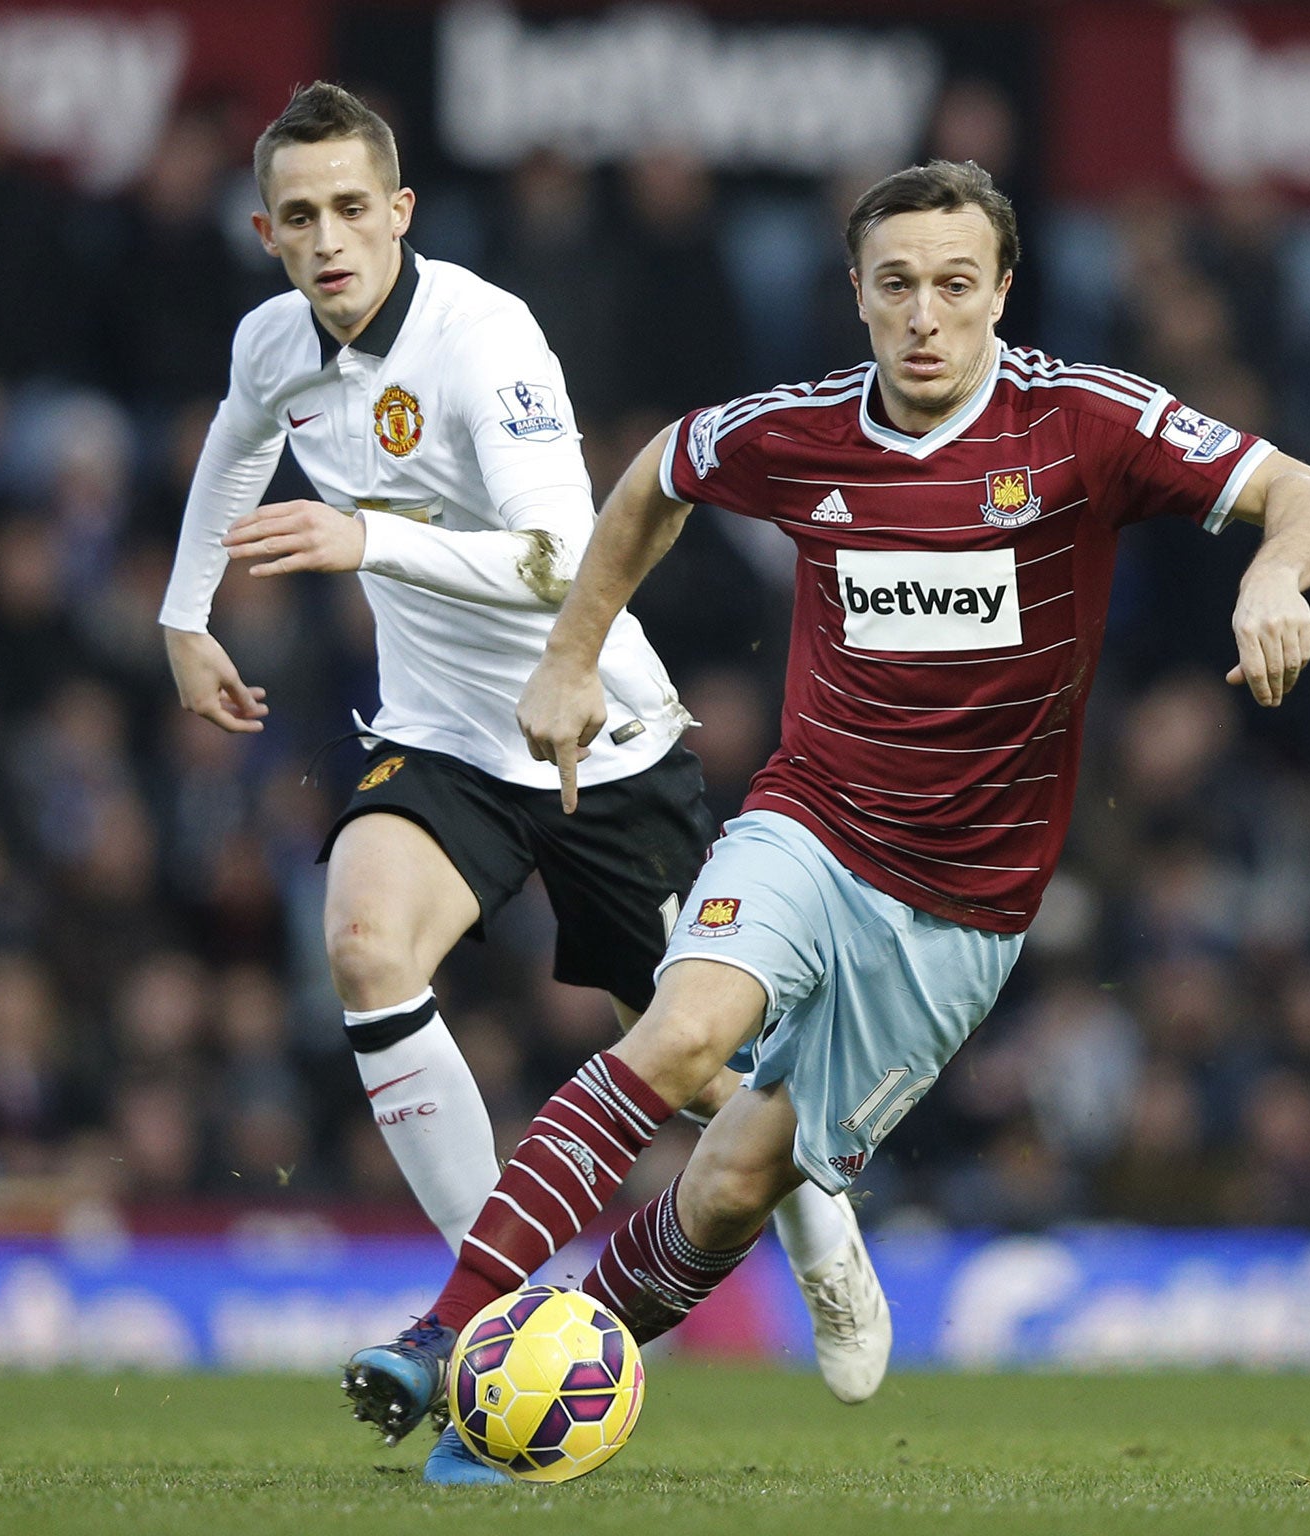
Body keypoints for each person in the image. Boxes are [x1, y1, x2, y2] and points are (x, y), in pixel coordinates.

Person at [343, 159, 1310, 1484]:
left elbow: (1309, 492)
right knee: (684, 1028)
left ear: (1002, 291)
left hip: (964, 905)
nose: (924, 317)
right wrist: (574, 654)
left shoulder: (1081, 424)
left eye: (952, 286)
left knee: (726, 1187)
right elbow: (657, 472)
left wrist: (1275, 572)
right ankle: (448, 1335)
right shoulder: (801, 430)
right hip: (810, 823)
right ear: (858, 297)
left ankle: (584, 1355)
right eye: (896, 287)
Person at [156, 81, 888, 1419]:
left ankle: (818, 1213)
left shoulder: (486, 337)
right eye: (302, 216)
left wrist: (364, 538)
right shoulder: (276, 343)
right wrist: (183, 615)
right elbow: (235, 439)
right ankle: (488, 1317)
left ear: (402, 213)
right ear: (267, 229)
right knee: (367, 945)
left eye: (354, 211)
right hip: (441, 739)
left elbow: (567, 558)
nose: (330, 239)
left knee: (703, 1065)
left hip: (598, 737)